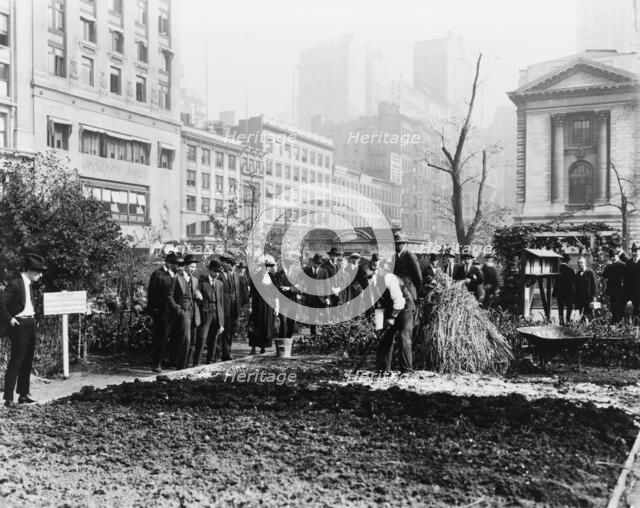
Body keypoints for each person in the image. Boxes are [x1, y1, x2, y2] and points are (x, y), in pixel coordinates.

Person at [2, 253, 47, 408]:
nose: (40, 275)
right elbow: (1, 303)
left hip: (30, 323)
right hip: (19, 324)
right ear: (30, 270)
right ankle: (8, 398)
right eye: (38, 272)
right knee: (16, 361)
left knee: (27, 360)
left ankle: (23, 394)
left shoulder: (29, 285)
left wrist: (34, 319)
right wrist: (10, 318)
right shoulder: (16, 283)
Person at [369, 261, 415, 373]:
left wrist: (392, 318)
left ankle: (407, 370)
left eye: (376, 271)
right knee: (385, 338)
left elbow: (399, 301)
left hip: (405, 309)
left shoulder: (390, 279)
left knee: (403, 338)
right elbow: (378, 305)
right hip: (391, 308)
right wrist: (379, 327)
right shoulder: (373, 284)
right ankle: (383, 369)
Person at [146, 252, 181, 373]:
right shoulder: (158, 274)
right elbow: (152, 293)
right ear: (169, 263)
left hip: (174, 312)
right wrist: (153, 309)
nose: (178, 266)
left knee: (174, 337)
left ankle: (171, 360)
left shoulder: (176, 275)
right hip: (161, 312)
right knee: (161, 338)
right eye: (176, 264)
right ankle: (157, 363)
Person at [167, 253, 202, 370]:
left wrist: (198, 295)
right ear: (185, 266)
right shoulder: (177, 278)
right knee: (185, 340)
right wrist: (178, 309)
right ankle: (181, 366)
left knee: (192, 341)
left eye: (194, 267)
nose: (193, 269)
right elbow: (169, 296)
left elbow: (195, 292)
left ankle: (187, 365)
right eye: (191, 266)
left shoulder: (195, 280)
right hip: (184, 311)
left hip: (194, 311)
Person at [217, 252, 249, 361]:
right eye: (224, 262)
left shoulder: (236, 275)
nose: (226, 265)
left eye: (229, 263)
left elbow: (242, 291)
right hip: (222, 307)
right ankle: (219, 353)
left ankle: (227, 352)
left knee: (229, 331)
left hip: (233, 308)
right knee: (222, 331)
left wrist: (242, 306)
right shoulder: (219, 275)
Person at [193, 258, 224, 366]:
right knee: (202, 337)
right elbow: (196, 297)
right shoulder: (202, 282)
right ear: (210, 271)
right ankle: (196, 362)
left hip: (216, 312)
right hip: (205, 312)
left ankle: (210, 361)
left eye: (218, 272)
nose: (217, 273)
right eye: (215, 271)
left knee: (214, 338)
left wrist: (221, 322)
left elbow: (221, 303)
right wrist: (199, 297)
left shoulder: (220, 284)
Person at [249, 255, 279, 354]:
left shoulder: (272, 277)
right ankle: (253, 347)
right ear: (261, 266)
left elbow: (276, 293)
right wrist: (250, 307)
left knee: (267, 326)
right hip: (258, 305)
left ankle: (263, 346)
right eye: (265, 266)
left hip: (269, 306)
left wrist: (277, 306)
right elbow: (251, 294)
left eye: (269, 266)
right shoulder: (256, 277)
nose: (267, 268)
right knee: (256, 325)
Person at [273, 252, 302, 338]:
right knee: (283, 322)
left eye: (291, 263)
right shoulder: (278, 275)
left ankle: (289, 341)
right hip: (283, 302)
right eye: (287, 262)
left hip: (293, 301)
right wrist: (293, 288)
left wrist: (289, 288)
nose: (289, 264)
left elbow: (300, 288)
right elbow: (279, 288)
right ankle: (282, 342)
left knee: (291, 323)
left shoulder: (296, 275)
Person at [302, 253, 329, 336]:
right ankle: (313, 335)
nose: (317, 265)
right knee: (312, 317)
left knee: (325, 316)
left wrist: (327, 297)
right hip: (310, 298)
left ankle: (325, 334)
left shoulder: (324, 271)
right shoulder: (306, 271)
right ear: (313, 262)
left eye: (319, 263)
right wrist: (303, 294)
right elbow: (302, 284)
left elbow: (327, 285)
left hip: (322, 297)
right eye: (316, 263)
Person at [392, 231, 422, 304]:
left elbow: (418, 278)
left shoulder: (410, 256)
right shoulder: (394, 257)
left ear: (404, 244)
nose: (395, 246)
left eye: (398, 244)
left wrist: (415, 292)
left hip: (409, 293)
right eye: (395, 244)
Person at [603, 249, 627, 323]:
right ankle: (615, 322)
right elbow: (604, 275)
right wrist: (607, 266)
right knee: (613, 307)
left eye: (614, 256)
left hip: (620, 290)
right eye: (611, 257)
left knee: (619, 307)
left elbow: (627, 277)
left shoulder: (622, 265)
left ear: (617, 256)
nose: (613, 258)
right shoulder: (610, 266)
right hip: (612, 291)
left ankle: (619, 323)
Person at [574, 256, 598, 321]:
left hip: (589, 300)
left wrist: (594, 297)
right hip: (580, 300)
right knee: (582, 317)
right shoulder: (577, 275)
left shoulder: (590, 272)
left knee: (591, 317)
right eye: (578, 263)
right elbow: (576, 289)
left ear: (585, 263)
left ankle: (592, 330)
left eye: (581, 262)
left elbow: (595, 286)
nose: (580, 264)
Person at [554, 253, 575, 325]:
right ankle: (568, 320)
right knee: (569, 306)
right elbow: (573, 282)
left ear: (561, 260)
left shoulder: (557, 270)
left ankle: (561, 320)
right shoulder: (571, 270)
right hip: (568, 292)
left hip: (559, 291)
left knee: (560, 306)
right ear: (568, 261)